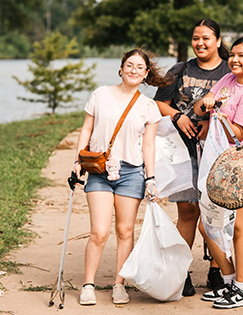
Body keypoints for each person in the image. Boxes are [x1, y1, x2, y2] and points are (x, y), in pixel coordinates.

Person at [72, 48, 170, 306]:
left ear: (146, 73)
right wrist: (77, 160)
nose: (134, 70)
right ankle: (88, 285)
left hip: (131, 172)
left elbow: (149, 146)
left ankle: (119, 284)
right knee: (99, 231)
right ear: (121, 67)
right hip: (99, 170)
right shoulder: (100, 95)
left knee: (125, 230)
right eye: (129, 65)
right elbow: (86, 129)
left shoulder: (149, 107)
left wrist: (150, 178)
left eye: (140, 67)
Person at [154, 18, 231, 296]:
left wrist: (212, 125)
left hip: (218, 155)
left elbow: (241, 105)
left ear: (218, 41)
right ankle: (180, 270)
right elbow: (158, 102)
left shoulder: (229, 70)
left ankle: (217, 271)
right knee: (187, 211)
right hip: (182, 151)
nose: (200, 43)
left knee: (217, 213)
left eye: (206, 38)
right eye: (196, 38)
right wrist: (178, 116)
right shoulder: (180, 70)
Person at [192, 37, 243, 309]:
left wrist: (219, 109)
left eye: (242, 56)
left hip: (242, 166)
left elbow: (237, 133)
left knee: (238, 227)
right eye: (233, 55)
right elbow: (200, 107)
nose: (235, 60)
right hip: (217, 161)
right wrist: (208, 99)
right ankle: (228, 279)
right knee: (208, 224)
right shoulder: (227, 81)